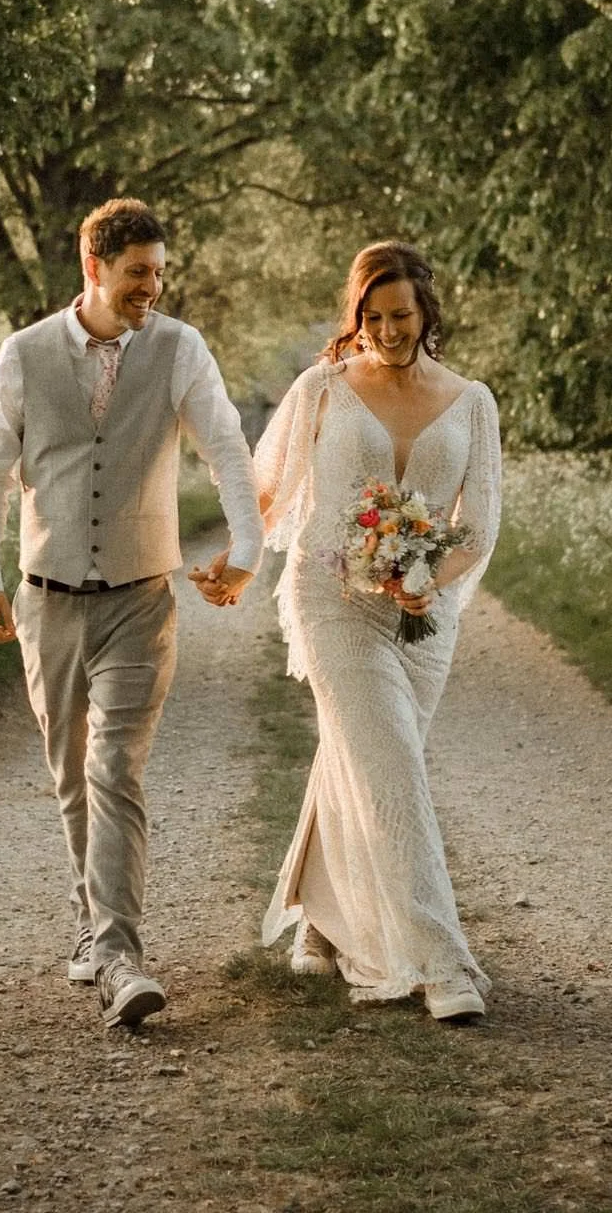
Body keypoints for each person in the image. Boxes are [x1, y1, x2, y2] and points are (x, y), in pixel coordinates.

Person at [0, 197, 264, 1028]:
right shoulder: (22, 356)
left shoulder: (178, 348)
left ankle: (119, 955)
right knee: (70, 779)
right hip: (45, 599)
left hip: (141, 598)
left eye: (159, 273)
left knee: (113, 769)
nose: (152, 288)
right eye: (137, 273)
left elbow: (226, 447)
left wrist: (248, 546)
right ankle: (93, 929)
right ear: (92, 269)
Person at [195, 240, 500, 1021]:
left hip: (420, 616)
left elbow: (480, 526)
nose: (388, 331)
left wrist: (426, 578)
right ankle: (441, 965)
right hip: (329, 600)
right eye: (372, 317)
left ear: (426, 312)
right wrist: (236, 562)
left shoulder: (472, 402)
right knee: (390, 765)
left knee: (363, 760)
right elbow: (266, 489)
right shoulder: (322, 389)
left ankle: (319, 927)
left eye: (402, 315)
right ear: (355, 315)